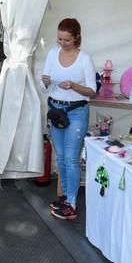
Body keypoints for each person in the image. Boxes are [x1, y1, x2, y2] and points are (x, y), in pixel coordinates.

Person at [41, 18, 96, 221]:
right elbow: (45, 86)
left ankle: (71, 203)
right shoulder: (52, 54)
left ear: (77, 38)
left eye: (66, 40)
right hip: (56, 109)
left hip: (76, 112)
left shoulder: (84, 59)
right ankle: (65, 198)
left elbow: (91, 91)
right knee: (62, 157)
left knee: (72, 159)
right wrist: (45, 82)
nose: (62, 43)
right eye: (59, 39)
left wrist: (73, 85)